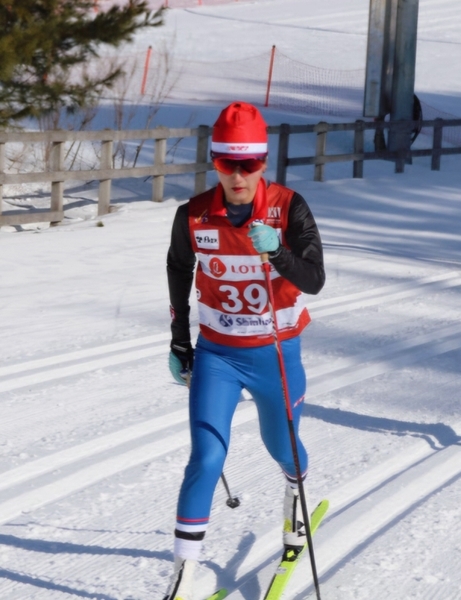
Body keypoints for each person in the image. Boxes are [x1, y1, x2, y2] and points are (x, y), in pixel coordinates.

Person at [164, 101, 325, 599]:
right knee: (206, 457)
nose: (238, 175)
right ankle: (182, 577)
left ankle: (294, 505)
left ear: (262, 162)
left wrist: (276, 250)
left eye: (248, 164)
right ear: (215, 161)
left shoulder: (288, 207)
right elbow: (177, 269)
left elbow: (314, 279)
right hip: (219, 355)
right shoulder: (193, 214)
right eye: (226, 164)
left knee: (283, 448)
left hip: (275, 354)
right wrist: (180, 340)